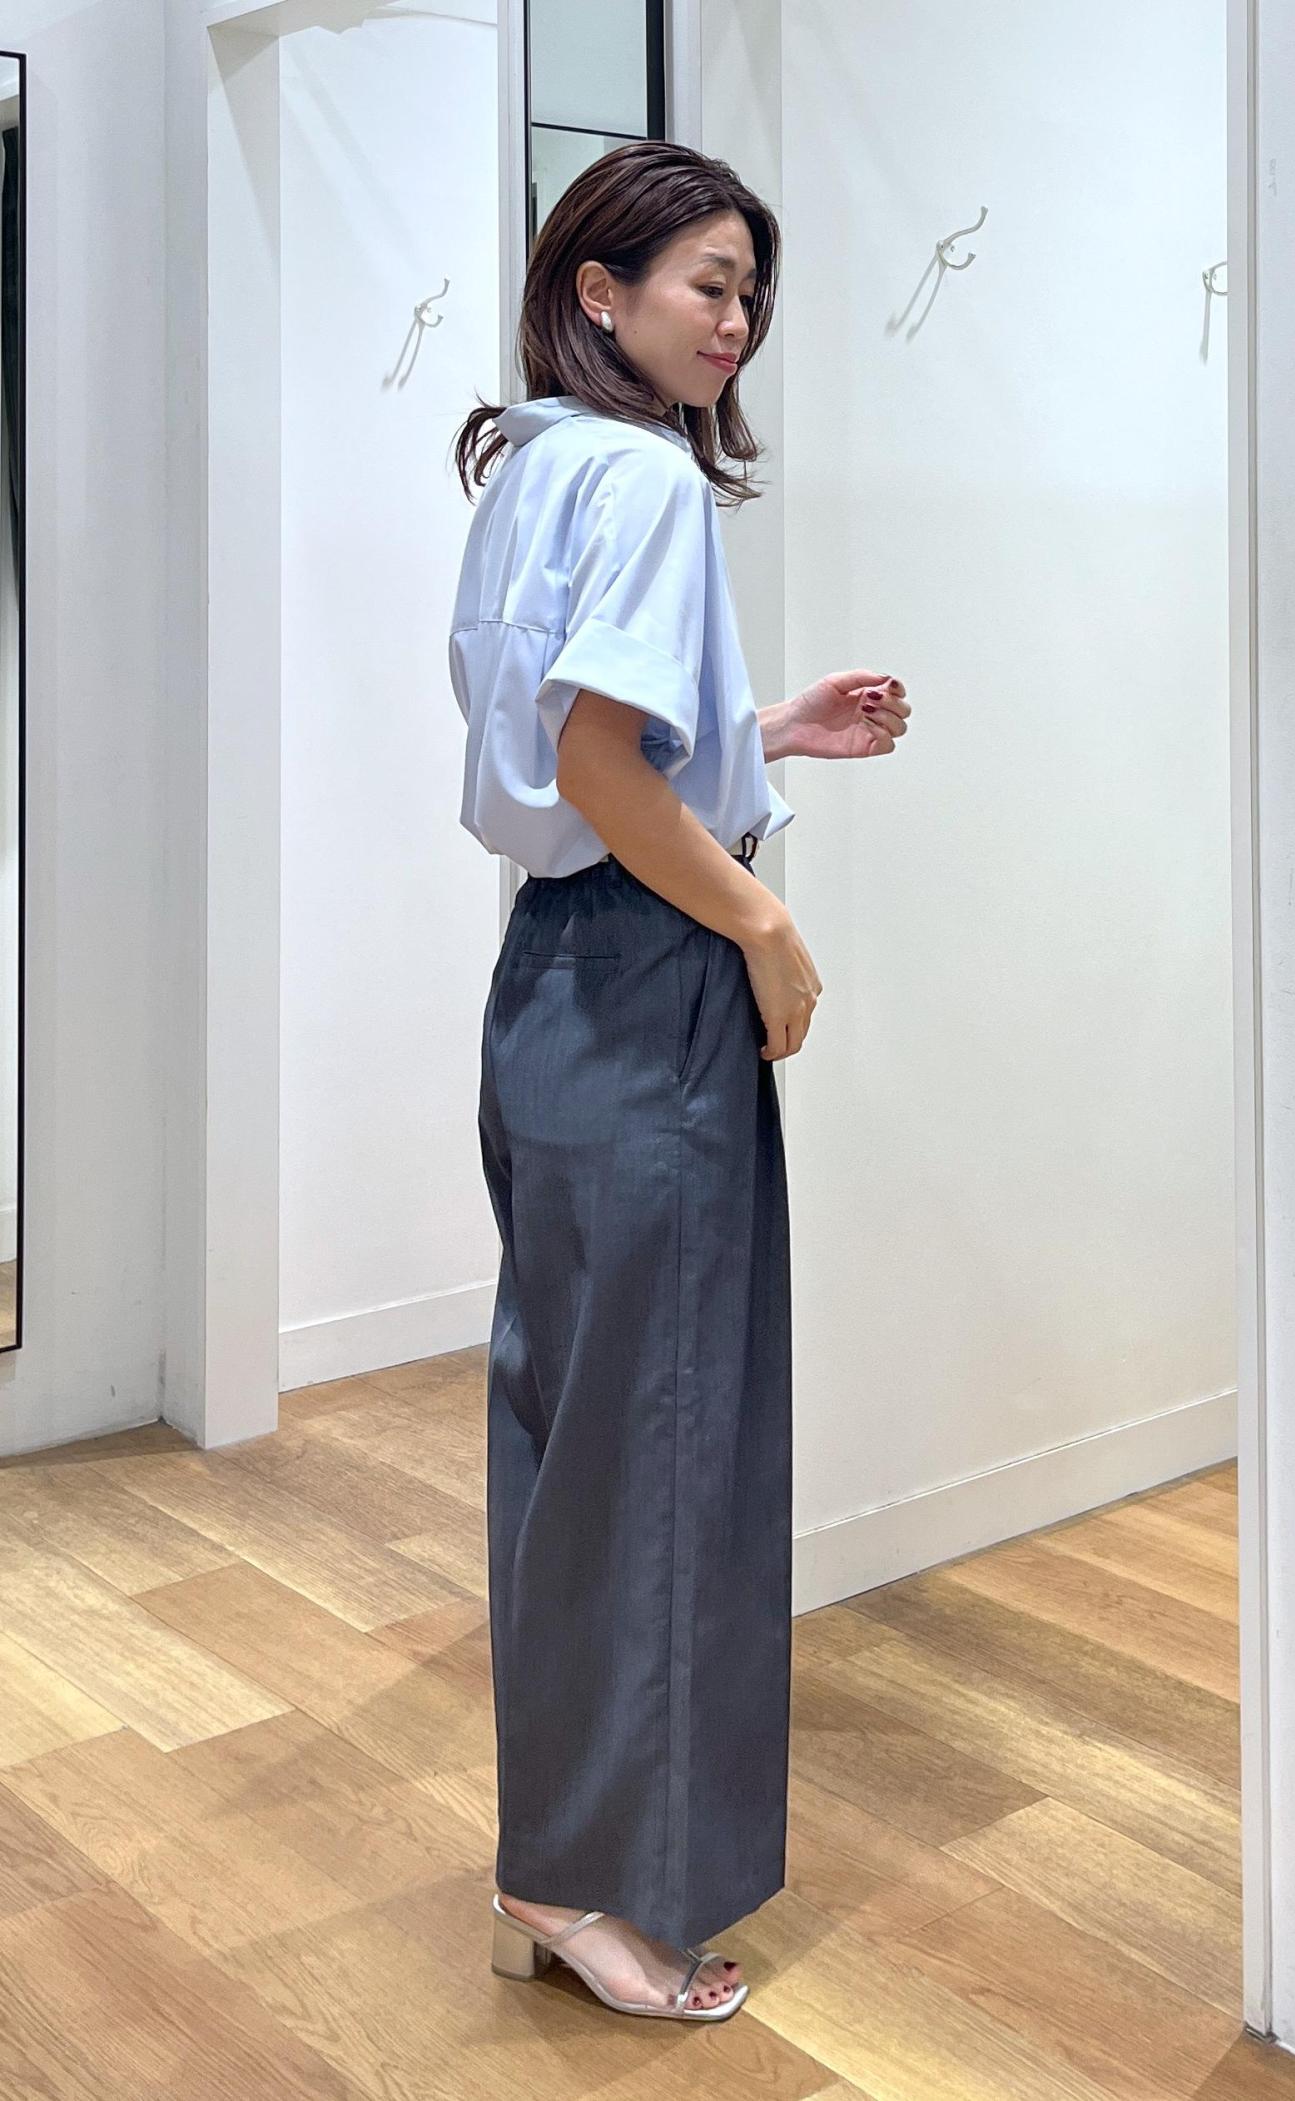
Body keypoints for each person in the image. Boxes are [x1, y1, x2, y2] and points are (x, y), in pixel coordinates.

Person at [447, 138, 910, 2024]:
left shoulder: (534, 465)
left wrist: (760, 729)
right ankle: (600, 1888)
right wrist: (766, 923)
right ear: (600, 292)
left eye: (749, 291)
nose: (738, 320)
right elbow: (601, 772)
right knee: (664, 1448)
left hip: (551, 985)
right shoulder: (641, 478)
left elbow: (580, 759)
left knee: (574, 1435)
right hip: (648, 984)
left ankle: (562, 1856)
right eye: (709, 284)